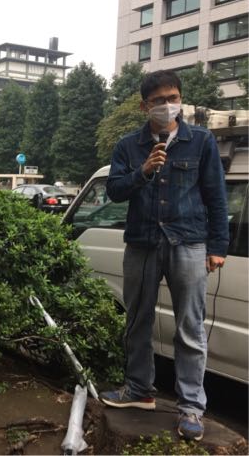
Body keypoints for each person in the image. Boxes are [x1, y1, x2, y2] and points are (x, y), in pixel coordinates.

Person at [100, 70, 228, 442]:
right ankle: (139, 390)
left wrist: (218, 247)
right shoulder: (128, 146)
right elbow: (114, 191)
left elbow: (216, 196)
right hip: (142, 242)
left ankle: (191, 407)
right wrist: (143, 171)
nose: (168, 105)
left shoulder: (201, 141)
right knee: (137, 320)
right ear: (145, 107)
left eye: (173, 98)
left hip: (188, 242)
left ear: (180, 100)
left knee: (190, 326)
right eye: (159, 100)